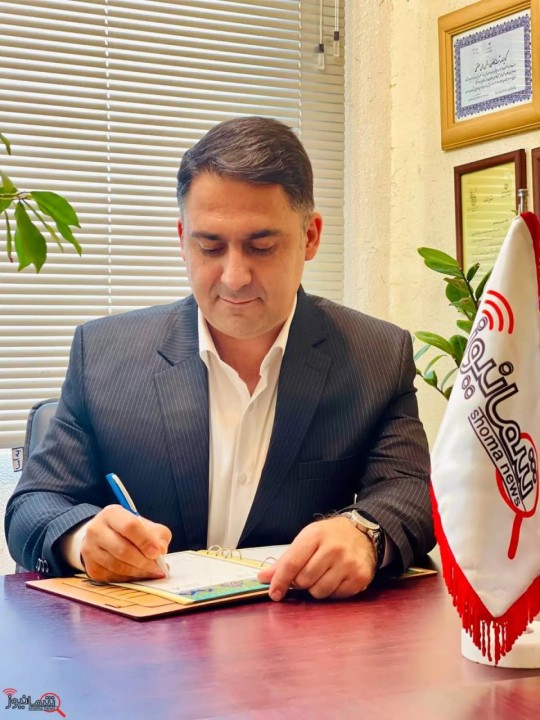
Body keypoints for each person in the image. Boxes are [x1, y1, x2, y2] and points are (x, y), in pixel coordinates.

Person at [5, 116, 434, 601]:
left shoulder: (376, 355)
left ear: (311, 237)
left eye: (262, 247)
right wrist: (82, 539)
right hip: (144, 639)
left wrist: (364, 532)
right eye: (210, 246)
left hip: (298, 631)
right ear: (181, 238)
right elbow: (34, 504)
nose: (234, 277)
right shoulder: (104, 354)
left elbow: (410, 491)